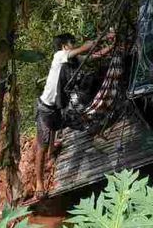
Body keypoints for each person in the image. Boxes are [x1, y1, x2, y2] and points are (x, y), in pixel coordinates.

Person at [34, 32, 112, 195]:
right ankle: (39, 184)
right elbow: (85, 48)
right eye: (72, 42)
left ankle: (52, 152)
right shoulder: (59, 57)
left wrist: (112, 47)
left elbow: (94, 55)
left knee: (59, 125)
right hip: (45, 108)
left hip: (58, 108)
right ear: (64, 46)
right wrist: (101, 38)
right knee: (42, 144)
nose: (74, 45)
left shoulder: (73, 61)